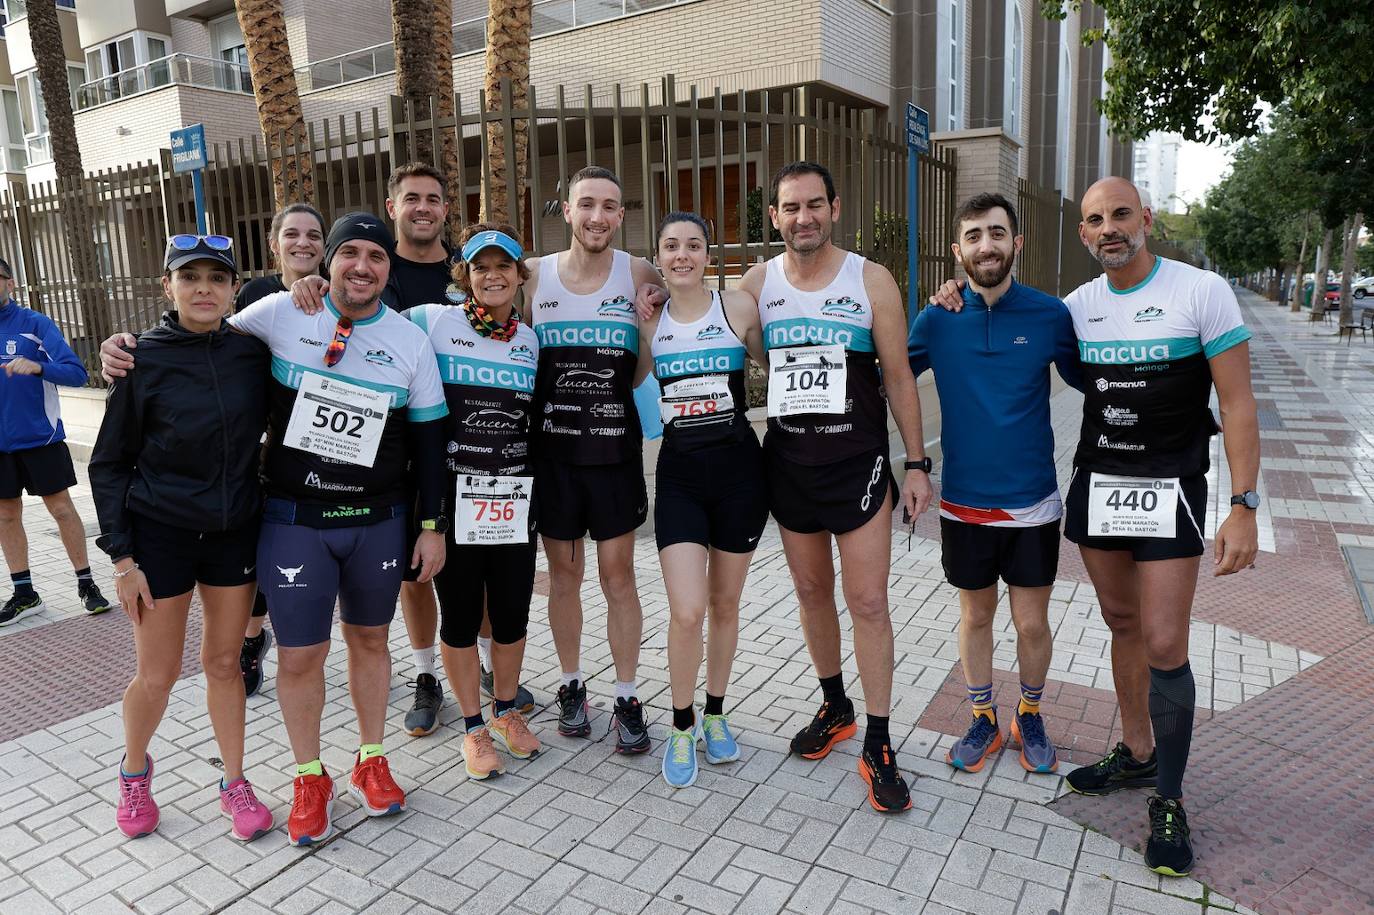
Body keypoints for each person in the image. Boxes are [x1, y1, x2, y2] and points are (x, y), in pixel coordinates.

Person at [929, 176, 1260, 876]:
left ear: (1146, 217)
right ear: (1082, 234)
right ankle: (1137, 753)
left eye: (1120, 215)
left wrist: (1244, 503)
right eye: (1095, 220)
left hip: (1171, 490)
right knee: (1120, 621)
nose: (1109, 228)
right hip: (1099, 489)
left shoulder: (1201, 292)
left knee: (1166, 640)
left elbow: (1237, 402)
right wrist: (945, 299)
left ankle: (1167, 798)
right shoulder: (1073, 309)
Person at [101, 212, 450, 846]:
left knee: (364, 645)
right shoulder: (278, 315)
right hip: (289, 520)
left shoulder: (409, 340)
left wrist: (432, 524)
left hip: (372, 522)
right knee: (298, 654)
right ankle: (306, 776)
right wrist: (121, 346)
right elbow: (191, 335)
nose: (362, 266)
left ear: (389, 266)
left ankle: (370, 761)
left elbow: (429, 440)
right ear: (328, 263)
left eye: (376, 255)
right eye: (349, 253)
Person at [291, 163, 535, 734]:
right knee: (421, 578)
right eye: (412, 199)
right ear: (392, 205)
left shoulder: (522, 330)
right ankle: (431, 677)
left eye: (434, 199)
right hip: (411, 463)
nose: (423, 208)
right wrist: (312, 286)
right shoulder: (380, 271)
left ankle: (488, 684)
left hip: (496, 487)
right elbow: (348, 316)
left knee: (489, 591)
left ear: (446, 209)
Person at [744, 162, 934, 813]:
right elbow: (708, 325)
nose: (804, 217)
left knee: (869, 601)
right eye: (791, 207)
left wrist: (917, 462)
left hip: (858, 466)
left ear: (835, 207)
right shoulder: (757, 281)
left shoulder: (869, 278)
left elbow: (900, 375)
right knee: (809, 590)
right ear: (774, 216)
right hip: (790, 466)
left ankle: (878, 739)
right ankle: (836, 705)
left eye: (815, 204)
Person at [89, 235, 274, 842]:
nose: (203, 289)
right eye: (188, 277)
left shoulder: (251, 352)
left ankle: (234, 780)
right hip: (161, 538)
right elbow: (109, 463)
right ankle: (134, 771)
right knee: (158, 676)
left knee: (224, 663)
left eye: (216, 279)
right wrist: (121, 558)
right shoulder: (142, 359)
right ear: (167, 287)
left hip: (232, 533)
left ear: (232, 289)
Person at [907, 193, 1081, 776]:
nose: (988, 245)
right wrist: (911, 463)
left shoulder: (1050, 315)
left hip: (1033, 502)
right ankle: (982, 716)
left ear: (1017, 244)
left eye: (998, 233)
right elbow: (888, 375)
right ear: (958, 251)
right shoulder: (937, 319)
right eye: (975, 235)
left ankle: (1028, 713)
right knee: (975, 616)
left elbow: (1100, 381)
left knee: (1031, 622)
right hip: (963, 505)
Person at [526, 166, 665, 752]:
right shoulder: (533, 276)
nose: (598, 217)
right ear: (565, 210)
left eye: (610, 206)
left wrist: (649, 327)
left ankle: (628, 694)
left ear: (621, 215)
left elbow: (638, 371)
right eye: (587, 205)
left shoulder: (639, 273)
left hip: (613, 453)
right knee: (564, 575)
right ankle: (571, 686)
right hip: (552, 456)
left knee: (618, 576)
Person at [634, 212, 768, 788]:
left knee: (725, 605)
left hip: (741, 473)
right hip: (681, 478)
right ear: (658, 257)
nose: (682, 255)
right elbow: (633, 380)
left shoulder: (736, 308)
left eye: (693, 245)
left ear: (708, 255)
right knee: (687, 609)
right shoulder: (651, 319)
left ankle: (716, 713)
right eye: (671, 246)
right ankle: (682, 724)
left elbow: (779, 360)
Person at [408, 223, 542, 780]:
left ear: (518, 276)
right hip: (454, 504)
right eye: (481, 267)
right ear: (464, 274)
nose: (493, 276)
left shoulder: (528, 340)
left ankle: (506, 710)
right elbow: (357, 322)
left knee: (511, 616)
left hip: (512, 500)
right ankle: (473, 727)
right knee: (461, 617)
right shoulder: (428, 321)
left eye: (503, 267)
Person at [234, 203, 327, 697]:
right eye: (291, 234)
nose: (303, 243)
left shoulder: (343, 293)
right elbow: (217, 342)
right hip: (262, 448)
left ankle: (342, 644)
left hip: (322, 454)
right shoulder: (256, 294)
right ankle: (253, 639)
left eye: (314, 234)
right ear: (274, 244)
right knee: (258, 554)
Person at [0, 257, 112, 624]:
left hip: (40, 438)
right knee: (6, 514)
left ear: (10, 283)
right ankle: (24, 592)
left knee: (62, 509)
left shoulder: (35, 325)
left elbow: (78, 373)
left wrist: (38, 367)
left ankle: (86, 584)